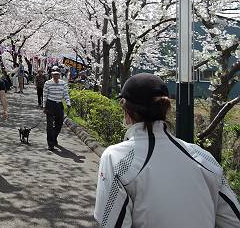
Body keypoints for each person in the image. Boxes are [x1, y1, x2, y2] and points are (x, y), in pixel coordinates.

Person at [94, 73, 240, 228]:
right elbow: (234, 221)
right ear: (165, 110)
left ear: (127, 112)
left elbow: (110, 222)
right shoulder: (204, 158)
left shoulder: (117, 158)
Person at [43, 65, 71, 150]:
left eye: (57, 74)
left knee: (59, 124)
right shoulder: (47, 83)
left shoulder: (63, 83)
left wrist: (68, 103)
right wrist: (44, 106)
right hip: (50, 104)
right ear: (51, 74)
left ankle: (54, 138)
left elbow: (66, 94)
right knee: (50, 125)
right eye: (54, 74)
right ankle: (50, 144)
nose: (55, 76)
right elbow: (45, 95)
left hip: (59, 105)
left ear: (59, 74)